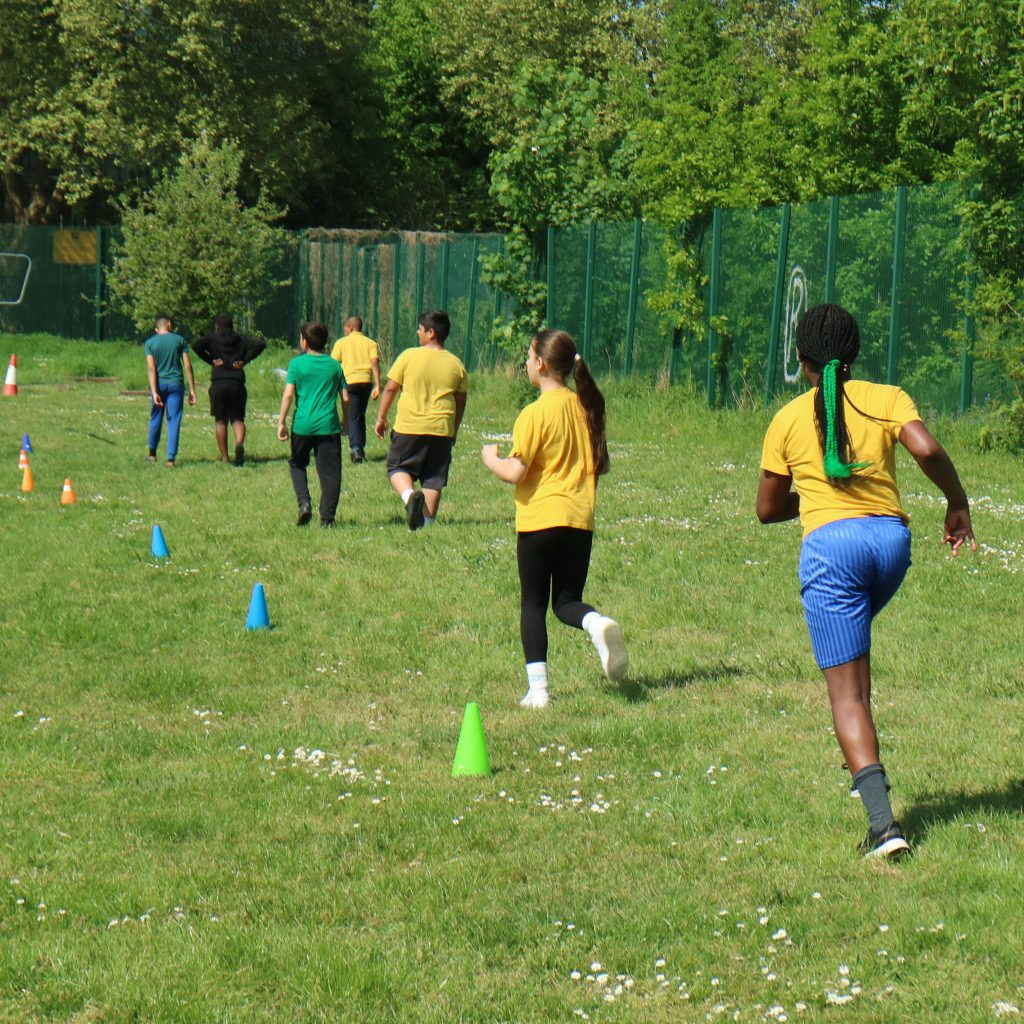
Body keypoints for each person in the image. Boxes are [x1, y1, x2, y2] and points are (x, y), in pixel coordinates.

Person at [756, 303, 976, 860]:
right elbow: (926, 448)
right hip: (890, 546)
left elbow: (767, 508)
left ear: (802, 359)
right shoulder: (888, 398)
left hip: (832, 552)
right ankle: (866, 771)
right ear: (854, 353)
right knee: (855, 667)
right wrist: (956, 501)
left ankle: (883, 828)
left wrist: (816, 495)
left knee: (846, 694)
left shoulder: (786, 419)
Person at [481, 328, 628, 708]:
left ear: (542, 364)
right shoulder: (586, 407)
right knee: (566, 602)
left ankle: (539, 691)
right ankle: (596, 623)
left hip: (539, 520)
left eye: (529, 357)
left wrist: (491, 459)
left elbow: (516, 472)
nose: (526, 363)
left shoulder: (534, 413)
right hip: (580, 521)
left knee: (533, 603)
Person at [374, 310, 468, 530]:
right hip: (441, 429)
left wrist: (381, 418)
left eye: (420, 329)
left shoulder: (408, 356)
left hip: (409, 426)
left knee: (396, 467)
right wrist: (453, 429)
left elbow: (391, 388)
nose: (418, 332)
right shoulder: (456, 364)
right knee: (434, 477)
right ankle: (426, 525)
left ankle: (409, 498)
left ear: (431, 332)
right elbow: (461, 401)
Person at [277, 321, 348, 527]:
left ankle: (304, 503)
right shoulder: (335, 366)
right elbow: (345, 398)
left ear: (305, 342)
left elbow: (288, 394)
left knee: (297, 464)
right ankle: (327, 519)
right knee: (331, 474)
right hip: (328, 426)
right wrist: (345, 421)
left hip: (302, 426)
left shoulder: (296, 364)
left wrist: (281, 422)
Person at [191, 313, 266, 466]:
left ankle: (225, 458)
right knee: (237, 418)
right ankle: (239, 443)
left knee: (220, 421)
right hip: (237, 382)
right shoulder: (240, 338)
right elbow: (260, 344)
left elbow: (195, 345)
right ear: (232, 327)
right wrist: (244, 361)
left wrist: (211, 360)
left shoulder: (212, 338)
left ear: (217, 327)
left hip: (219, 382)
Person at [144, 315, 197, 466]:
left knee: (156, 417)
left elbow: (151, 368)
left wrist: (154, 391)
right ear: (169, 325)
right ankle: (170, 459)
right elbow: (187, 366)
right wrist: (192, 389)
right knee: (174, 420)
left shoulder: (150, 343)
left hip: (159, 384)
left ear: (156, 329)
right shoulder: (179, 340)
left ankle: (152, 454)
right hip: (176, 384)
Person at [331, 315, 380, 464]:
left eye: (345, 327)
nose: (344, 330)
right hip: (366, 382)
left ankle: (356, 448)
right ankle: (361, 447)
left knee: (352, 416)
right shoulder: (370, 343)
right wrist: (377, 385)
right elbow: (374, 363)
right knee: (360, 414)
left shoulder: (341, 343)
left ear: (351, 327)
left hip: (350, 382)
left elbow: (333, 364)